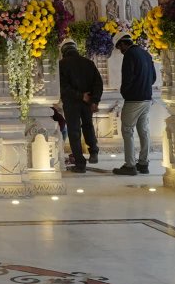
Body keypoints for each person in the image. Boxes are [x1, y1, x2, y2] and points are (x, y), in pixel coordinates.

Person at [111, 34, 158, 177]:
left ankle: (130, 165)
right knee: (144, 131)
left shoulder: (130, 55)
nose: (121, 51)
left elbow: (127, 78)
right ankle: (143, 163)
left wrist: (126, 92)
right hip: (147, 98)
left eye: (120, 48)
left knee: (127, 131)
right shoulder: (146, 53)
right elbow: (154, 77)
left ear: (123, 44)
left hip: (133, 100)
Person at [58, 41, 102, 173]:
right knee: (88, 125)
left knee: (74, 131)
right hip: (87, 101)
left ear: (64, 52)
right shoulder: (89, 63)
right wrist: (94, 100)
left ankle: (80, 163)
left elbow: (63, 87)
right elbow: (98, 83)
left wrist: (79, 95)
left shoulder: (61, 65)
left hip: (72, 103)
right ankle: (93, 151)